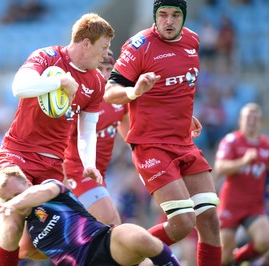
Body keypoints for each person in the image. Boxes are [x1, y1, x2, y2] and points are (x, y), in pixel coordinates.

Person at [0, 12, 114, 259]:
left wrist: (89, 164)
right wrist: (59, 83)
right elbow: (19, 88)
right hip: (18, 153)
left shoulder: (97, 83)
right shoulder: (48, 57)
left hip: (53, 165)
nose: (105, 54)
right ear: (86, 43)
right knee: (12, 226)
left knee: (35, 246)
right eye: (103, 47)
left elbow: (87, 129)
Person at [103, 0, 222, 265]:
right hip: (151, 145)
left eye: (176, 14)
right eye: (163, 14)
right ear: (155, 16)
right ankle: (117, 257)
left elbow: (179, 85)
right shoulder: (139, 46)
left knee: (210, 220)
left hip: (183, 142)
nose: (169, 21)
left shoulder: (192, 41)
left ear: (184, 17)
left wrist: (185, 116)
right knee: (182, 222)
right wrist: (135, 91)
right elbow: (110, 93)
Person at [0, 165, 181, 266]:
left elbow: (42, 192)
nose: (15, 201)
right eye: (8, 198)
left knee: (138, 236)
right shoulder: (25, 231)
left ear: (28, 184)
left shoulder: (50, 189)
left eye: (18, 194)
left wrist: (14, 202)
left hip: (104, 243)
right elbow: (13, 253)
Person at [64, 50, 128, 225]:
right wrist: (61, 186)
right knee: (112, 224)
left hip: (100, 175)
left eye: (109, 69)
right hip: (78, 173)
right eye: (100, 68)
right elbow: (59, 145)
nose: (105, 74)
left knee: (93, 236)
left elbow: (132, 136)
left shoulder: (117, 98)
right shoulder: (78, 99)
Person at [214, 103, 269, 265]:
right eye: (248, 117)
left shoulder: (266, 146)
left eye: (255, 118)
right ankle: (230, 260)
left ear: (261, 122)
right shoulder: (232, 141)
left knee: (265, 240)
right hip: (231, 205)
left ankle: (237, 260)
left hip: (254, 206)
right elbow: (220, 167)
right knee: (223, 256)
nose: (252, 121)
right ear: (240, 120)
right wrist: (243, 161)